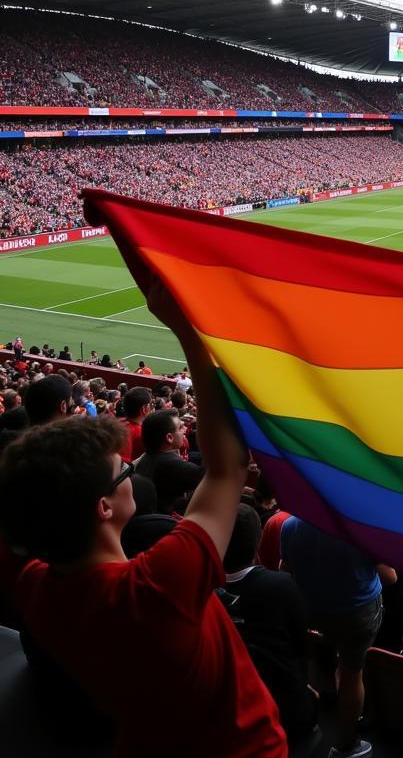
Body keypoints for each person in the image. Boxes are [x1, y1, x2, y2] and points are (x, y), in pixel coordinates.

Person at [0, 280, 289, 757]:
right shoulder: (157, 585)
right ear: (103, 508)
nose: (132, 469)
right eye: (123, 472)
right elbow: (228, 467)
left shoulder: (36, 585)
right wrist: (191, 332)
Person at [281, 516, 396, 758]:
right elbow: (391, 577)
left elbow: (285, 570)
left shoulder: (290, 525)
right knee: (352, 673)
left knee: (324, 643)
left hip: (312, 610)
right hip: (357, 613)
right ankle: (347, 744)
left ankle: (324, 684)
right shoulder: (362, 527)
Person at [218, 503, 318, 742]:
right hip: (284, 712)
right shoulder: (281, 586)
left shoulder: (199, 586)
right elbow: (302, 647)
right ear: (257, 543)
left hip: (222, 710)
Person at [135, 408, 204, 514]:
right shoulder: (174, 465)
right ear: (169, 438)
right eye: (180, 427)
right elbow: (214, 479)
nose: (185, 429)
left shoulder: (146, 457)